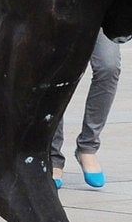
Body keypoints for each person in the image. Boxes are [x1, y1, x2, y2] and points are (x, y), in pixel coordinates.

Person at [51, 32, 121, 188]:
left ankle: (88, 147)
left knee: (108, 67)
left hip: (101, 14)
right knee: (56, 71)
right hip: (59, 11)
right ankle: (52, 155)